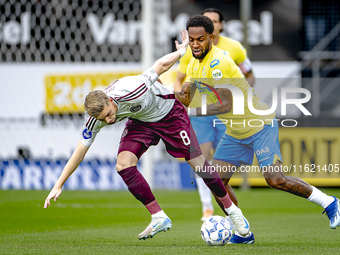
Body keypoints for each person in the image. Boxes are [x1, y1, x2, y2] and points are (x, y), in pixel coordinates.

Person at [43, 29, 251, 240]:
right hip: (141, 122)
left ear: (111, 101)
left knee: (199, 164)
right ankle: (158, 216)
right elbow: (80, 150)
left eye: (109, 115)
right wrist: (58, 184)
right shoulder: (96, 117)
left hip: (169, 112)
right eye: (103, 120)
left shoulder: (133, 88)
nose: (109, 121)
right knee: (123, 164)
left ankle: (233, 212)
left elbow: (159, 66)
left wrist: (181, 52)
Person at [175, 15, 340, 244]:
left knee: (275, 179)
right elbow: (185, 95)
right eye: (191, 39)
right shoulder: (194, 61)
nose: (195, 44)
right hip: (236, 131)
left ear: (211, 37)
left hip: (259, 125)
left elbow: (226, 103)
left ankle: (330, 203)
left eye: (200, 39)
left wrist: (191, 112)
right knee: (216, 181)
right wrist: (159, 94)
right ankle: (243, 232)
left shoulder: (218, 63)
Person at [173, 8, 255, 223]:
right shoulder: (193, 52)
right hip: (202, 112)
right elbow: (181, 80)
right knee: (202, 158)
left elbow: (248, 74)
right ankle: (207, 207)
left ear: (218, 27)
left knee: (221, 166)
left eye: (214, 21)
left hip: (227, 112)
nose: (210, 24)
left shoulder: (233, 49)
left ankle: (232, 213)